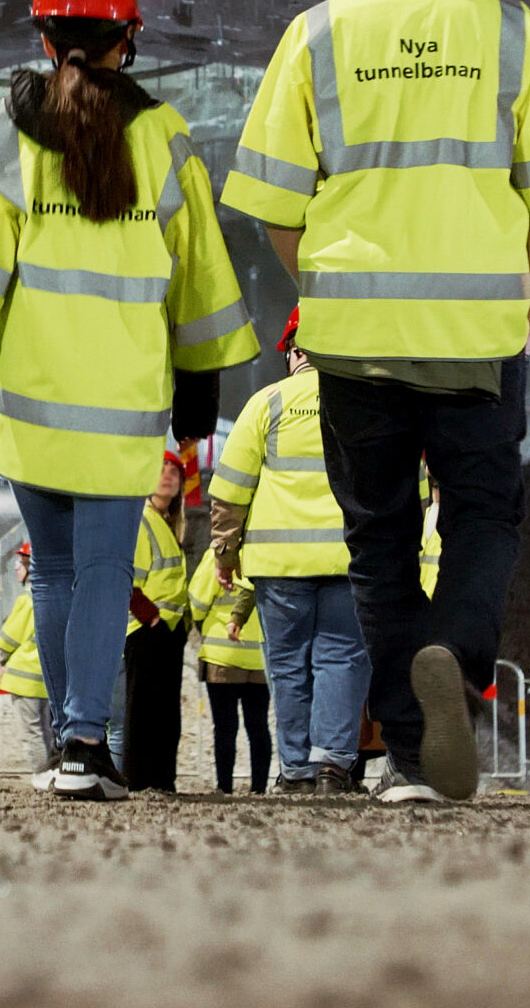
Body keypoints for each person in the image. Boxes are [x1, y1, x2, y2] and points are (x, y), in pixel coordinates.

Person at [222, 0, 530, 806]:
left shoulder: (315, 37)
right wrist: (528, 311)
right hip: (478, 334)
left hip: (356, 339)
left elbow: (273, 206)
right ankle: (457, 656)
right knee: (483, 514)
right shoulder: (508, 29)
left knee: (380, 540)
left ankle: (407, 759)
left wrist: (324, 290)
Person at [0, 0, 257, 801]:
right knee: (105, 570)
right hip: (122, 404)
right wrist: (197, 399)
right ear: (126, 40)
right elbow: (197, 282)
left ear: (44, 36)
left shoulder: (2, 135)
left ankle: (70, 746)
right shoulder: (163, 138)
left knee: (57, 571)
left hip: (30, 404)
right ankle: (81, 744)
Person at [210, 308, 373, 794]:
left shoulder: (267, 403)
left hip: (278, 567)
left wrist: (225, 554)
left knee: (287, 664)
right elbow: (403, 484)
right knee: (341, 658)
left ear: (293, 352)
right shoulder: (365, 402)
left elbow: (230, 490)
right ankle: (332, 768)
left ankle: (296, 772)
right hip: (347, 560)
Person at [117, 451, 192, 792]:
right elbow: (128, 579)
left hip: (167, 630)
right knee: (145, 712)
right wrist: (151, 618)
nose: (168, 476)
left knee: (164, 713)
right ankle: (140, 780)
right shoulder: (143, 521)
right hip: (148, 630)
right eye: (162, 470)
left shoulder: (165, 523)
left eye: (175, 472)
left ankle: (161, 780)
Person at [187, 548, 269, 794]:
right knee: (259, 726)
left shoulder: (217, 555)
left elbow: (198, 602)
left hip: (222, 654)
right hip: (259, 656)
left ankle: (224, 787)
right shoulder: (262, 552)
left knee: (224, 727)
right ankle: (259, 788)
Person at [0, 546, 58, 785]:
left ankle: (42, 775)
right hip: (47, 678)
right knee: (48, 731)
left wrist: (1, 657)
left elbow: (7, 639)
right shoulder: (56, 597)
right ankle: (54, 772)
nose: (16, 567)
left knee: (32, 732)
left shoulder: (28, 599)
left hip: (25, 677)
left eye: (21, 562)